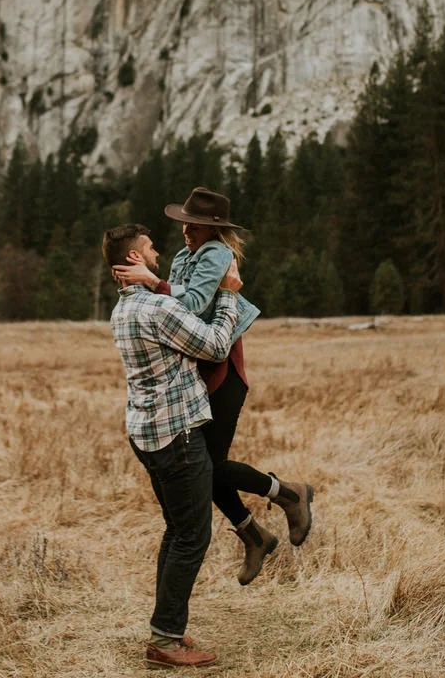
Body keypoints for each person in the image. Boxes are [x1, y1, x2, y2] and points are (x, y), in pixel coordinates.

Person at [113, 187, 314, 587]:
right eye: (185, 222)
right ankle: (256, 533)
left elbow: (196, 304)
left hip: (224, 375)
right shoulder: (186, 256)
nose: (186, 229)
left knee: (211, 467)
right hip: (204, 372)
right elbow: (175, 309)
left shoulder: (218, 255)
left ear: (212, 227)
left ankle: (287, 496)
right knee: (203, 469)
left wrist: (153, 281)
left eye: (194, 223)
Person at [102, 222, 243, 669]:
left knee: (176, 530)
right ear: (133, 260)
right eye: (149, 249)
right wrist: (228, 293)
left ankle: (167, 628)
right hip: (177, 434)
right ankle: (165, 640)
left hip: (146, 434)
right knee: (192, 536)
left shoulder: (122, 310)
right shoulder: (157, 310)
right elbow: (217, 346)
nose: (158, 254)